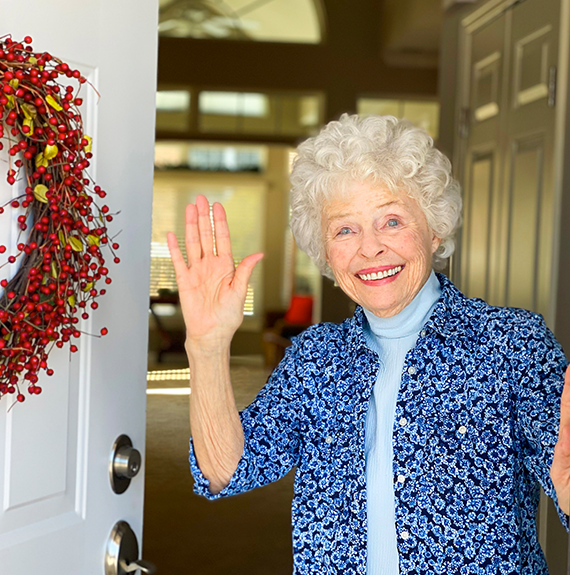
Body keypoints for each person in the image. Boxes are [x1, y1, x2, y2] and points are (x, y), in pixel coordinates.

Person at [167, 114, 570, 575]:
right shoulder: (315, 357)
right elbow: (225, 469)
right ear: (325, 251)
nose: (369, 249)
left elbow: (564, 473)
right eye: (345, 229)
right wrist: (207, 345)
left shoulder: (513, 343)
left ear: (434, 229)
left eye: (392, 220)